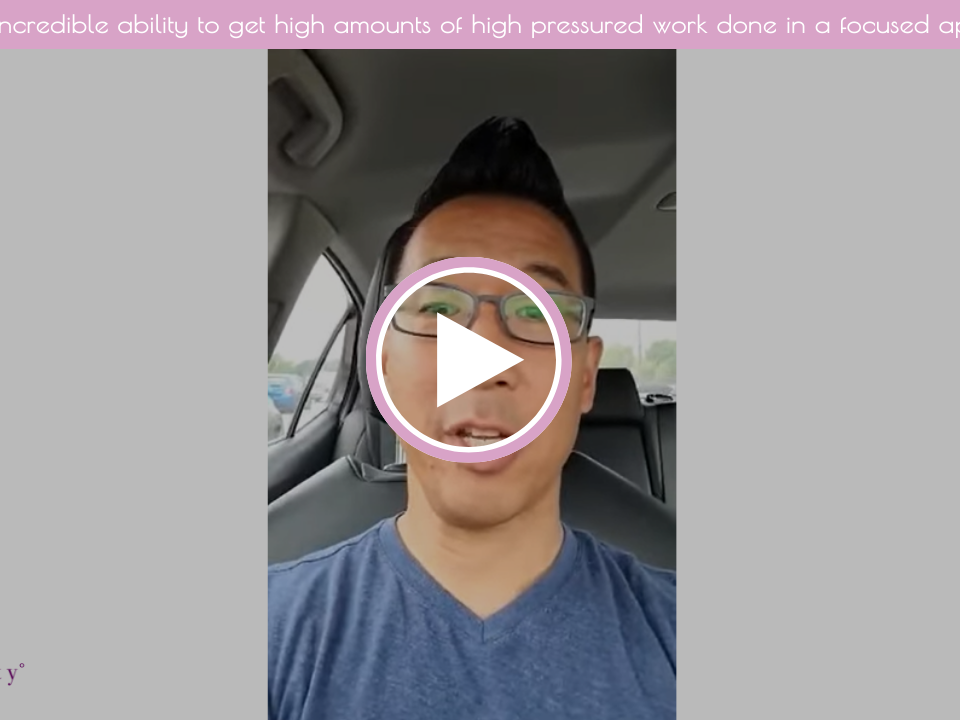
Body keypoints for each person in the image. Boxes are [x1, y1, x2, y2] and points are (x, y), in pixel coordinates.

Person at [268, 118, 675, 719]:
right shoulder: (272, 632)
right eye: (437, 307)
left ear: (585, 377)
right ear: (383, 363)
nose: (484, 363)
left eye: (535, 312)